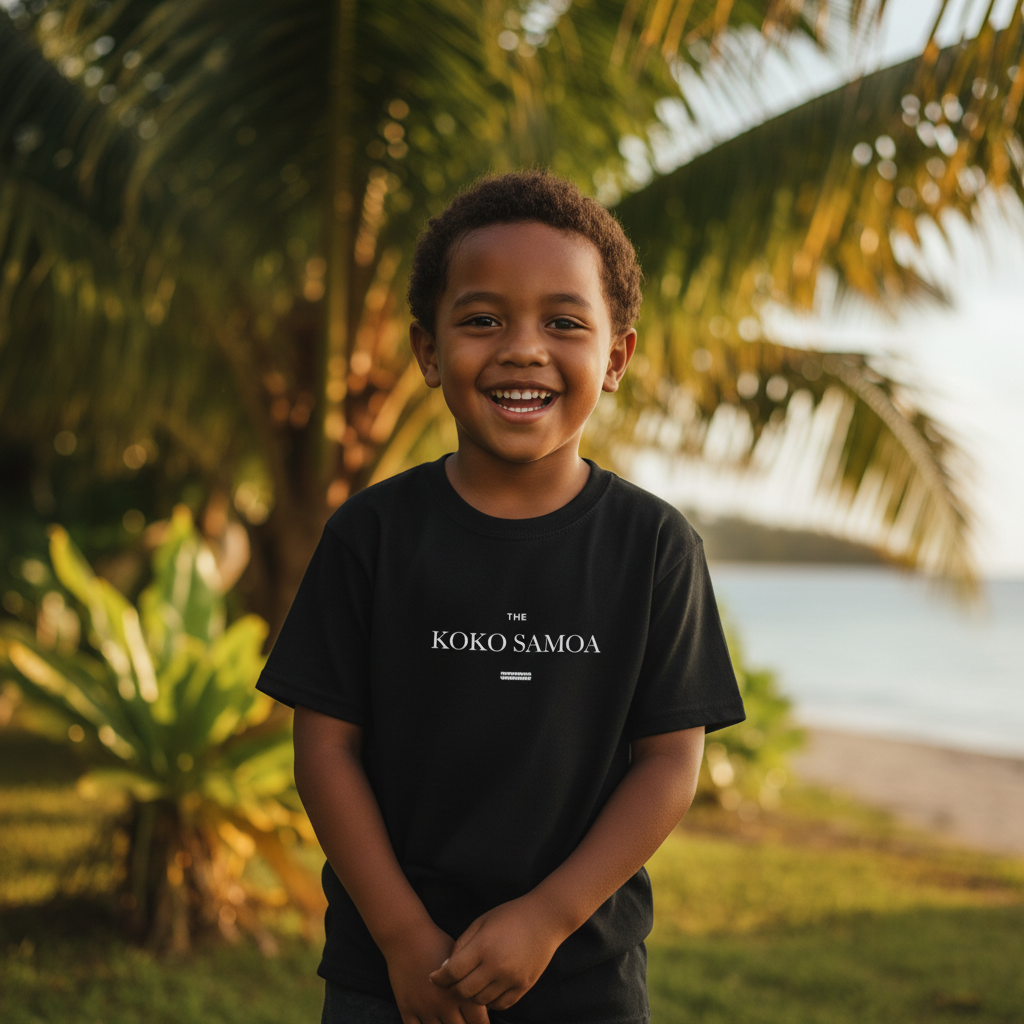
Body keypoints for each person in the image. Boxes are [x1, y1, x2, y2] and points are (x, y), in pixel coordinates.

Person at [256, 170, 745, 1024]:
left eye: (564, 322)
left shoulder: (655, 548)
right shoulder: (368, 537)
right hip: (391, 979)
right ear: (429, 351)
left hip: (582, 973)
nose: (523, 348)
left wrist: (548, 917)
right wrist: (405, 937)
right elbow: (325, 750)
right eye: (483, 320)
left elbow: (670, 762)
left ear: (616, 357)